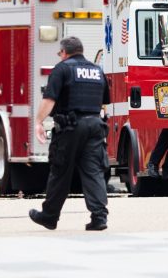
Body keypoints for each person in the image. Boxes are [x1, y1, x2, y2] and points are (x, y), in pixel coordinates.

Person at [29, 36, 110, 231]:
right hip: (95, 126)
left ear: (64, 52)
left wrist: (38, 121)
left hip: (70, 127)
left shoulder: (62, 69)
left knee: (60, 171)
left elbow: (49, 100)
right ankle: (99, 217)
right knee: (93, 171)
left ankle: (49, 216)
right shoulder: (97, 71)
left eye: (60, 53)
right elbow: (104, 102)